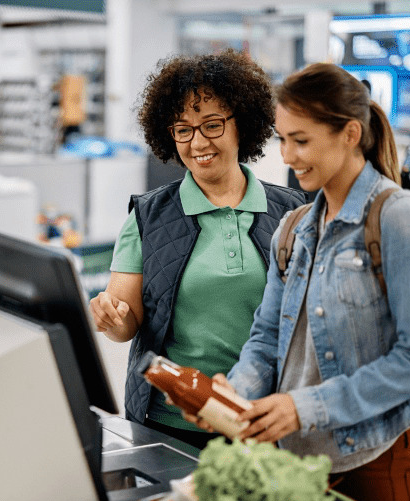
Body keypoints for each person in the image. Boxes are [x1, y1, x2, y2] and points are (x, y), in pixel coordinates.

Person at [214, 62, 410, 501]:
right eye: (282, 140)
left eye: (302, 141)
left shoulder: (401, 220)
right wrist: (234, 392)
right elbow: (267, 337)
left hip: (373, 463)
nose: (288, 156)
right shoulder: (294, 228)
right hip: (295, 463)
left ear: (350, 134)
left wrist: (303, 407)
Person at [88, 50, 305, 451]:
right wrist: (111, 317)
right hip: (169, 422)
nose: (198, 142)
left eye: (212, 125)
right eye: (183, 129)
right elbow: (126, 325)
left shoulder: (292, 212)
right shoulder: (149, 216)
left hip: (263, 421)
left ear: (244, 124)